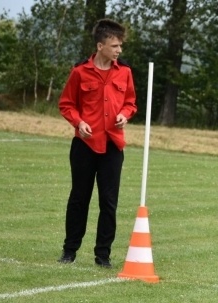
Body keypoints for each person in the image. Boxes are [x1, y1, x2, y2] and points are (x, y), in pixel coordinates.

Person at [57, 19, 137, 268]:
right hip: (85, 146)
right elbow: (66, 104)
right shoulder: (79, 72)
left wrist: (125, 114)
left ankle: (103, 256)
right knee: (78, 199)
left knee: (109, 203)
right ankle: (69, 251)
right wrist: (78, 122)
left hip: (113, 145)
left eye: (120, 46)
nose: (119, 50)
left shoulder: (125, 72)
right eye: (114, 45)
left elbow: (130, 103)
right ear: (100, 46)